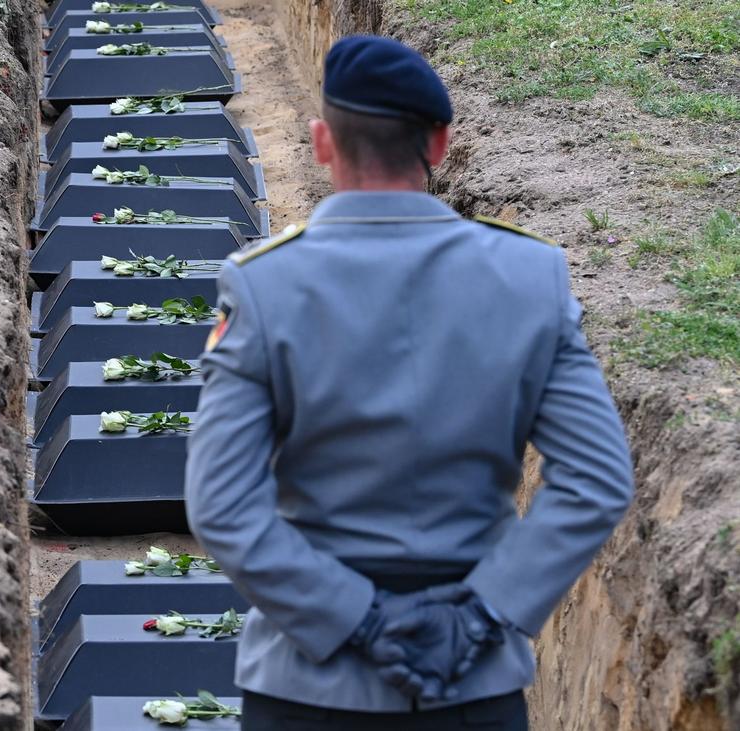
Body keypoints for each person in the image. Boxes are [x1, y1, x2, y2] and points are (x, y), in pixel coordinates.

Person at [184, 35, 634, 730]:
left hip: (311, 688)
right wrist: (481, 613)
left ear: (322, 142)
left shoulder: (265, 285)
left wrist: (361, 620)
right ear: (441, 145)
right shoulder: (529, 279)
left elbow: (222, 504)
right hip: (469, 684)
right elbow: (596, 478)